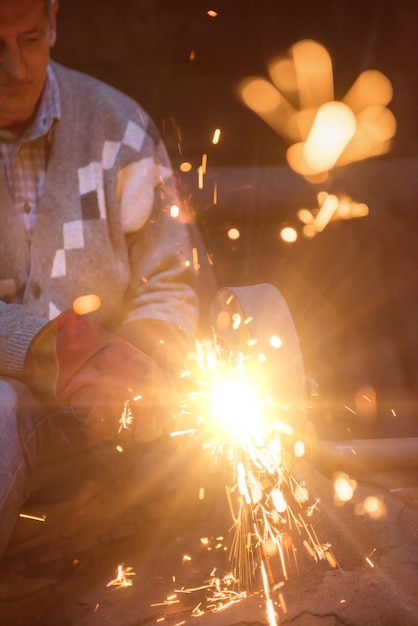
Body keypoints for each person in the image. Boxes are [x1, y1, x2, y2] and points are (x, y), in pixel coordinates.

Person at [0, 0, 200, 569]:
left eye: (31, 39)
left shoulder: (119, 129)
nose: (15, 68)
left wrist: (137, 356)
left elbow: (173, 277)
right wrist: (56, 353)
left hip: (107, 428)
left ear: (55, 22)